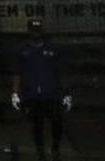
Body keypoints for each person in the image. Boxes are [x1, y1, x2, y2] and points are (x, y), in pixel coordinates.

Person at [12, 19, 71, 161]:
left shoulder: (52, 50)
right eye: (33, 30)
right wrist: (15, 93)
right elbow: (17, 73)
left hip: (52, 94)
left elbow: (61, 72)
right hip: (31, 95)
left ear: (42, 31)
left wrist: (67, 93)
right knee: (37, 126)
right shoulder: (22, 50)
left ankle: (55, 149)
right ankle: (40, 153)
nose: (36, 33)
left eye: (38, 30)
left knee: (57, 123)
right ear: (29, 31)